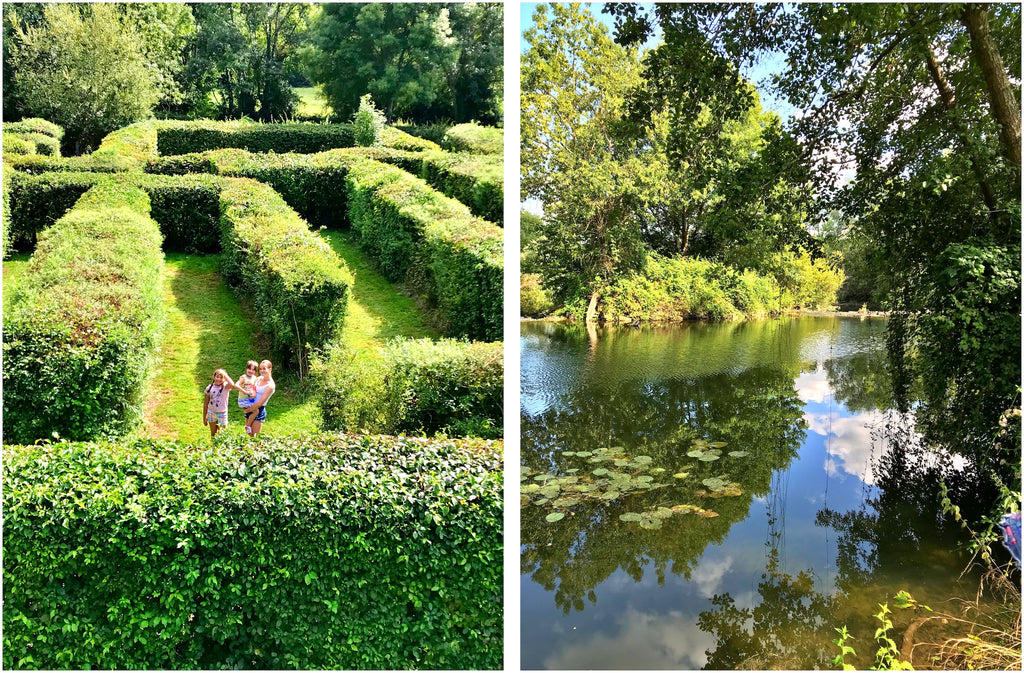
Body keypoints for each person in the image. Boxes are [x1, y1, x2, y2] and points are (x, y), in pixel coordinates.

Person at [246, 359, 276, 437]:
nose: (262, 371)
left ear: (270, 369)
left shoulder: (270, 385)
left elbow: (260, 403)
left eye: (264, 368)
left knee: (255, 437)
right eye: (260, 369)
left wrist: (248, 410)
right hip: (250, 406)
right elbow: (252, 386)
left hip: (258, 410)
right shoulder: (259, 378)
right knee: (249, 434)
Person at [202, 369, 235, 438]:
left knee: (223, 434)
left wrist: (225, 374)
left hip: (222, 413)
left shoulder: (225, 387)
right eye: (217, 377)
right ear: (214, 377)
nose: (219, 379)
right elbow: (205, 404)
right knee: (213, 434)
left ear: (224, 379)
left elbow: (232, 384)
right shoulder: (209, 388)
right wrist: (204, 417)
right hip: (211, 413)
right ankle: (214, 448)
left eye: (221, 377)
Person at [234, 360, 260, 433]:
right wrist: (243, 391)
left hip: (251, 399)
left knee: (252, 411)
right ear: (246, 368)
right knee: (256, 411)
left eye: (253, 369)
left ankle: (249, 425)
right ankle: (248, 425)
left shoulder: (255, 378)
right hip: (243, 400)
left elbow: (255, 388)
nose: (251, 371)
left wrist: (254, 393)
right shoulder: (243, 377)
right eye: (249, 369)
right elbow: (236, 385)